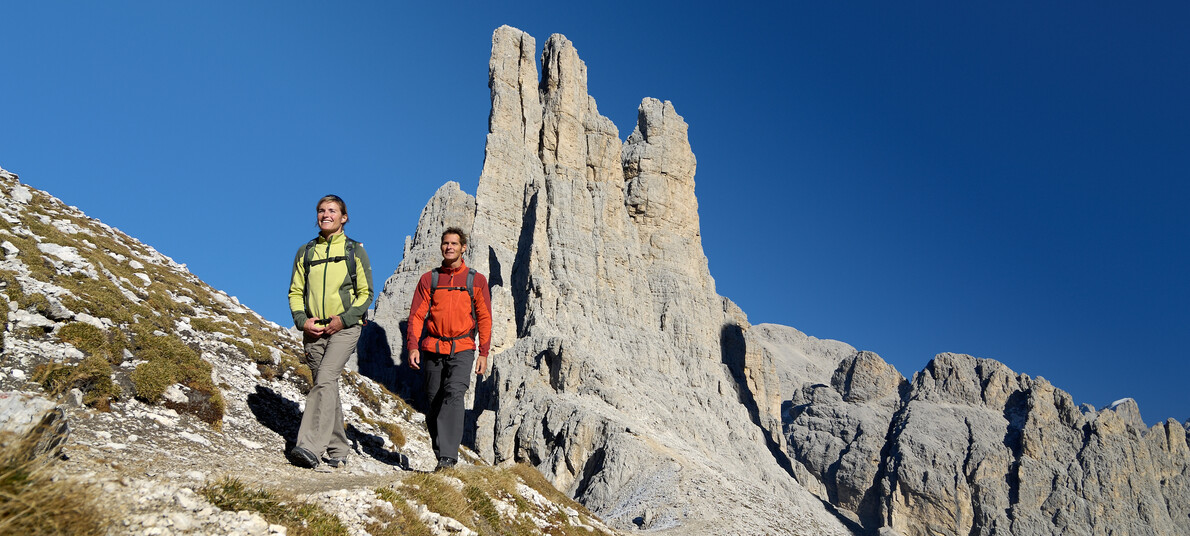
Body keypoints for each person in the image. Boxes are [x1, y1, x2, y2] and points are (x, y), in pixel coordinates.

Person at [286, 194, 373, 469]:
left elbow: (365, 294)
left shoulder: (354, 250)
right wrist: (302, 321)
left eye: (332, 211)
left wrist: (344, 319)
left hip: (345, 328)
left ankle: (309, 447)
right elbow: (295, 291)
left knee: (324, 379)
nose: (326, 215)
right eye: (321, 210)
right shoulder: (306, 252)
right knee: (326, 386)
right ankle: (338, 448)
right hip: (313, 330)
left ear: (343, 218)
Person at [406, 226, 492, 471]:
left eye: (454, 243)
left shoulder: (476, 280)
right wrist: (413, 346)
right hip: (432, 347)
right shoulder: (429, 279)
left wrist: (483, 352)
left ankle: (448, 457)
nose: (449, 247)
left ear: (463, 248)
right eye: (446, 243)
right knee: (434, 402)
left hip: (463, 348)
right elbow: (416, 316)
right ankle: (441, 454)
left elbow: (485, 318)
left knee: (454, 395)